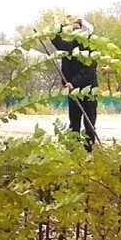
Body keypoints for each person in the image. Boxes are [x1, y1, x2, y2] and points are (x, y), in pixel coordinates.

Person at [51, 16, 99, 149]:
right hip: (72, 90)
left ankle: (88, 150)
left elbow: (88, 70)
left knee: (89, 122)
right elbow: (56, 39)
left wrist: (74, 83)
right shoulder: (70, 45)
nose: (74, 30)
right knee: (74, 123)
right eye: (74, 28)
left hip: (88, 90)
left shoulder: (89, 47)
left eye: (78, 28)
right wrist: (61, 26)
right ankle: (74, 151)